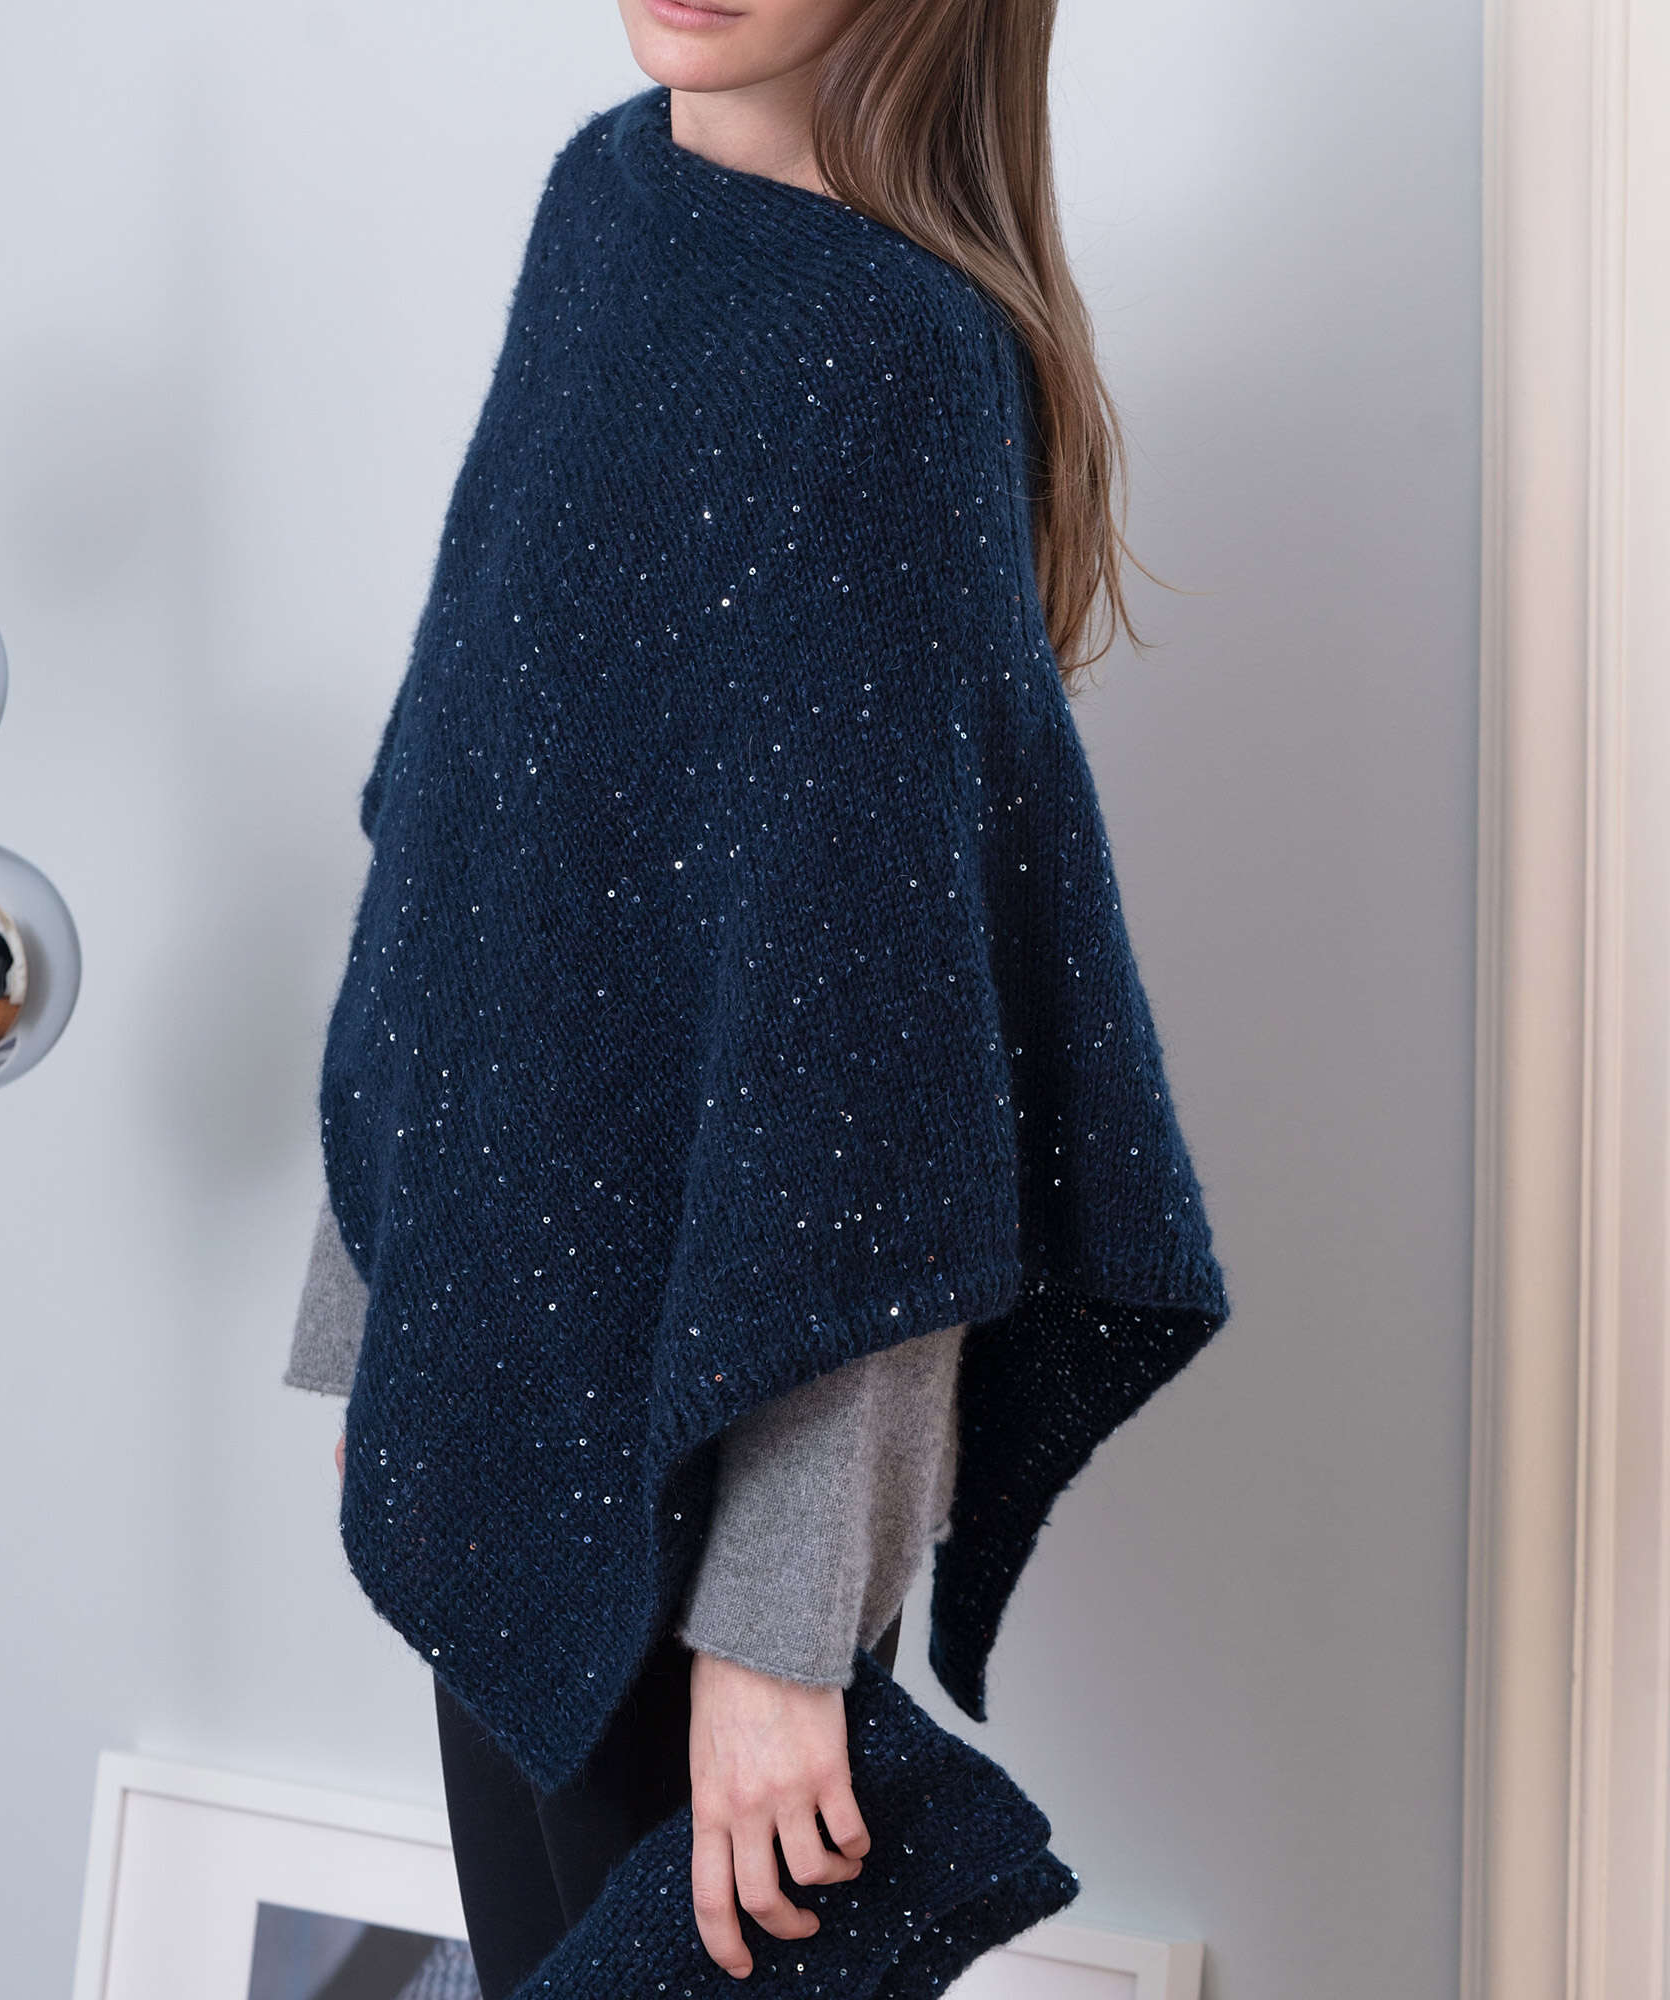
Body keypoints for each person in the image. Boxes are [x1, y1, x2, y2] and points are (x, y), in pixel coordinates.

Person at [287, 1, 1232, 1993]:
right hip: (512, 1384)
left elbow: (874, 1082)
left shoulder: (891, 358)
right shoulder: (606, 205)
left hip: (721, 1479)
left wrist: (779, 1638)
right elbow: (474, 839)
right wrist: (393, 1328)